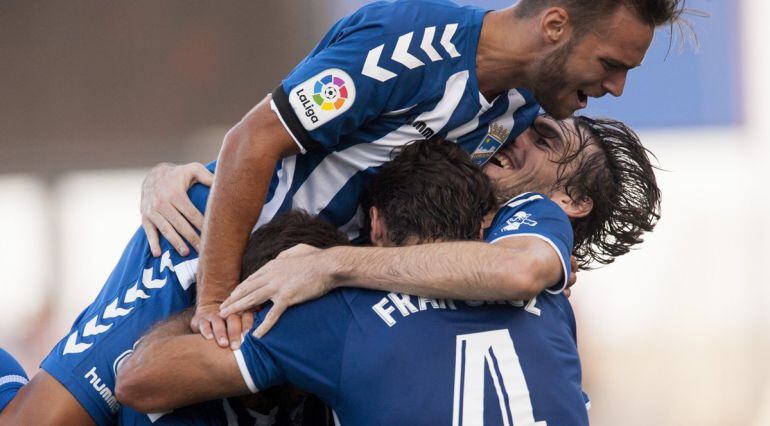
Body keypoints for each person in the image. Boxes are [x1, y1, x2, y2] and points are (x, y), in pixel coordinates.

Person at [181, 0, 682, 348]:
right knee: (130, 387)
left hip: (293, 289)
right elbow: (249, 141)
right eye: (612, 63)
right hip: (202, 255)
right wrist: (215, 300)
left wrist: (554, 263)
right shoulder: (404, 43)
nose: (618, 87)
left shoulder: (523, 112)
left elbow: (516, 233)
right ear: (554, 27)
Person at [117, 140, 592, 424]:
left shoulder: (337, 319)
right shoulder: (551, 294)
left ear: (377, 225)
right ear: (487, 225)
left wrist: (217, 304)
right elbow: (519, 267)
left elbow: (140, 382)